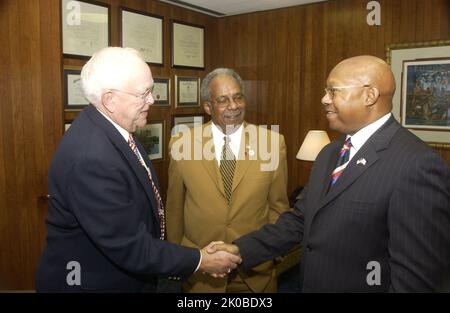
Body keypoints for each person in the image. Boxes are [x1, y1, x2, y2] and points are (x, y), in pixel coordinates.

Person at [211, 56, 450, 292]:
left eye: (333, 91)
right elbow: (301, 220)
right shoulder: (330, 153)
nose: (324, 99)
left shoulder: (417, 165)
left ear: (370, 96)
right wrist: (241, 250)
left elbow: (416, 279)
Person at [35, 47, 241, 292]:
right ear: (110, 99)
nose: (152, 100)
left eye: (151, 90)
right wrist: (200, 260)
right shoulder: (92, 157)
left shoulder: (115, 131)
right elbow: (130, 246)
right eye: (144, 93)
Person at [165, 68, 290, 292]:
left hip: (255, 274)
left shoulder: (272, 143)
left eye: (238, 97)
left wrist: (272, 256)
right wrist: (182, 261)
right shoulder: (182, 144)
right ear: (207, 107)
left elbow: (278, 208)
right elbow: (174, 210)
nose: (233, 106)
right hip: (201, 275)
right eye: (223, 100)